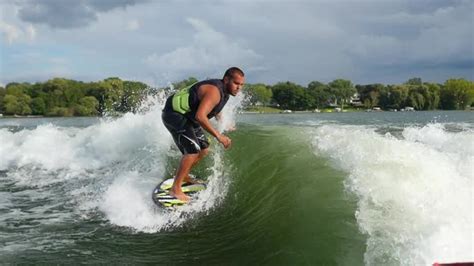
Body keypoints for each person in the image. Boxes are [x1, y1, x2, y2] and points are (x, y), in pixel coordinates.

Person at [161, 67, 245, 201]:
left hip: (188, 117)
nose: (238, 88)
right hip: (174, 115)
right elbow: (200, 116)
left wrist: (224, 122)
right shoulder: (214, 91)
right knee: (192, 151)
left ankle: (185, 176)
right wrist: (219, 136)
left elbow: (214, 108)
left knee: (204, 149)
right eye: (236, 83)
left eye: (241, 85)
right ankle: (175, 189)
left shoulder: (225, 92)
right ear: (226, 79)